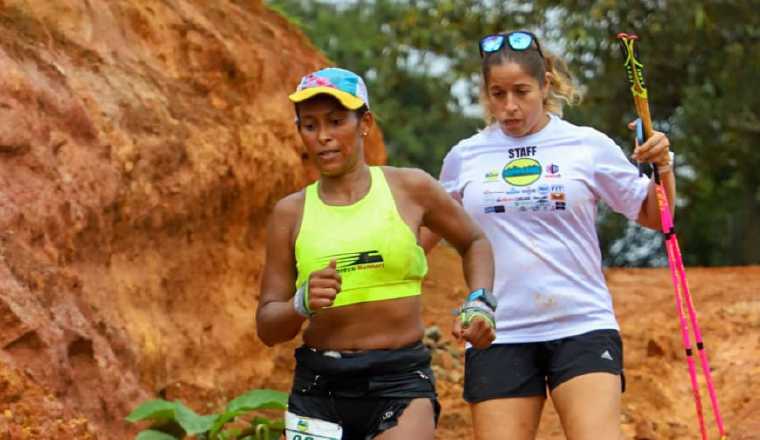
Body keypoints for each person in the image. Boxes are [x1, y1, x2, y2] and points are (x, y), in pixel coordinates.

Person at [423, 31, 676, 439]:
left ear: (545, 85)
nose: (509, 106)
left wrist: (663, 166)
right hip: (497, 333)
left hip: (581, 324)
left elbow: (654, 216)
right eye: (497, 93)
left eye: (521, 91)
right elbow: (419, 240)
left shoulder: (586, 145)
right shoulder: (464, 157)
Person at [255, 67, 497, 440]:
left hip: (398, 379)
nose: (323, 137)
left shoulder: (410, 188)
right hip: (319, 385)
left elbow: (474, 241)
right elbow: (268, 327)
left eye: (336, 122)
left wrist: (480, 302)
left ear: (364, 123)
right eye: (309, 125)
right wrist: (300, 303)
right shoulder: (290, 213)